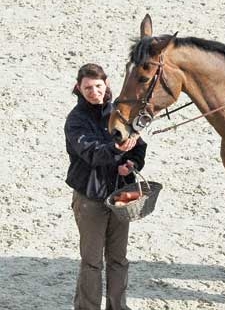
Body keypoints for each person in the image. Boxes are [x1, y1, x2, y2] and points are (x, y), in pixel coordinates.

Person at [65, 63, 147, 310]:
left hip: (121, 195)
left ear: (106, 84)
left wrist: (131, 163)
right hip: (90, 198)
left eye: (98, 86)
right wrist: (116, 150)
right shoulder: (75, 121)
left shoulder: (118, 112)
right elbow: (90, 153)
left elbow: (139, 146)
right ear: (79, 88)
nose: (94, 92)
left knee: (118, 259)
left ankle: (118, 307)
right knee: (92, 262)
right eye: (88, 87)